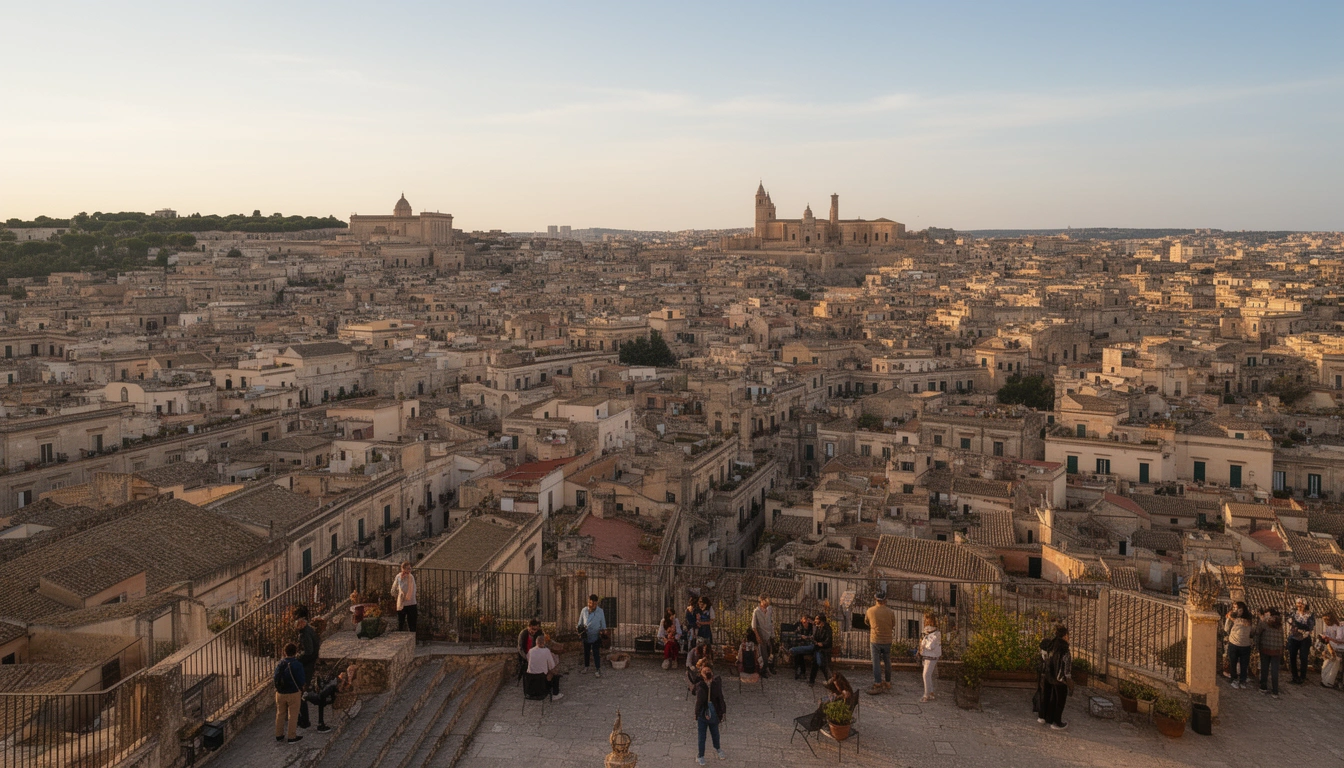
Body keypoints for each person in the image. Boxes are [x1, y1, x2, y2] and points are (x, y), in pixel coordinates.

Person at [303, 663, 356, 733]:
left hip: (319, 696)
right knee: (320, 703)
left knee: (319, 704)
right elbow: (339, 689)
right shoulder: (337, 680)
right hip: (319, 697)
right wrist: (347, 682)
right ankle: (320, 724)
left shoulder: (334, 679)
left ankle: (318, 723)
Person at [692, 665, 727, 765]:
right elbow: (720, 697)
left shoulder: (700, 686)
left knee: (702, 736)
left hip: (703, 714)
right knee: (715, 732)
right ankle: (718, 750)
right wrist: (723, 711)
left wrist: (696, 713)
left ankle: (701, 756)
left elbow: (699, 701)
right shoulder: (716, 684)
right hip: (715, 712)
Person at [273, 642, 306, 744]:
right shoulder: (297, 664)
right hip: (293, 692)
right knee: (293, 715)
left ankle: (279, 735)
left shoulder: (280, 664)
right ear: (295, 652)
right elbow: (301, 680)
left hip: (280, 693)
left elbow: (275, 678)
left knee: (280, 714)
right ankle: (291, 736)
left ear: (284, 652)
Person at [865, 592, 897, 695]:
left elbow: (866, 622)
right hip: (887, 640)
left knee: (876, 663)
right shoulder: (890, 612)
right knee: (887, 661)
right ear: (885, 599)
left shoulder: (870, 611)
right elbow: (893, 624)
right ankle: (888, 682)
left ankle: (878, 683)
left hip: (875, 640)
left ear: (875, 599)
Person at [1041, 626, 1072, 730]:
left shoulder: (1052, 645)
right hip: (1060, 680)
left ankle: (1049, 718)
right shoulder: (1064, 649)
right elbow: (1066, 670)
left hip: (1050, 677)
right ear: (1065, 635)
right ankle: (1057, 723)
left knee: (1052, 699)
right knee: (1060, 701)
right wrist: (1069, 684)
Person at [294, 608, 320, 730]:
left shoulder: (305, 634)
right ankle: (304, 719)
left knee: (301, 693)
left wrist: (298, 658)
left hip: (306, 666)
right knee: (302, 692)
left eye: (297, 624)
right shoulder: (309, 630)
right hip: (310, 664)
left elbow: (308, 651)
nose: (296, 627)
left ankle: (304, 721)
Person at [1254, 607, 1284, 698]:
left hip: (1265, 648)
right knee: (1275, 670)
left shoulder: (1263, 623)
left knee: (1265, 668)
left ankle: (1263, 687)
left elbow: (1257, 634)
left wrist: (1256, 646)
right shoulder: (1279, 624)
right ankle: (1275, 691)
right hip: (1277, 649)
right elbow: (1282, 638)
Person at [1224, 601, 1254, 689]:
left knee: (1238, 663)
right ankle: (1240, 680)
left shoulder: (1236, 618)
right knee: (1240, 663)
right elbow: (1252, 632)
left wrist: (1230, 617)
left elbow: (1227, 628)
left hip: (1238, 644)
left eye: (1237, 608)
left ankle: (1237, 679)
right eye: (1234, 608)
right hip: (1241, 644)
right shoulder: (1248, 620)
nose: (1235, 610)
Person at [525, 634, 564, 700]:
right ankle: (555, 694)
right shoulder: (546, 651)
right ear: (544, 643)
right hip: (542, 680)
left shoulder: (530, 651)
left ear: (536, 642)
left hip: (530, 680)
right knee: (555, 674)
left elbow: (528, 660)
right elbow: (552, 666)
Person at [1287, 598, 1316, 685]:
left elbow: (1310, 627)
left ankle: (1302, 677)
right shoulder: (1294, 614)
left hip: (1304, 638)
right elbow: (1290, 623)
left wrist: (1301, 628)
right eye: (1298, 603)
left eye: (1301, 603)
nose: (1299, 605)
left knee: (1303, 658)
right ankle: (1294, 676)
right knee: (1292, 657)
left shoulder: (1309, 615)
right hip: (1294, 638)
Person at [579, 593, 607, 678]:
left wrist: (602, 632)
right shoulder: (584, 610)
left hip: (596, 636)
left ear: (596, 603)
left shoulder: (600, 611)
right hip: (586, 635)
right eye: (590, 603)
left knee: (596, 653)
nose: (592, 605)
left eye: (594, 604)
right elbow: (580, 623)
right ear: (588, 602)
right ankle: (586, 667)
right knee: (586, 652)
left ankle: (597, 669)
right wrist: (580, 631)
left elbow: (603, 625)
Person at [918, 613, 941, 703]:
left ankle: (926, 695)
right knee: (928, 675)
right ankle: (931, 692)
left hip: (932, 656)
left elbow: (930, 646)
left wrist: (924, 642)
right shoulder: (928, 633)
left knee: (926, 675)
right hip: (927, 656)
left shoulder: (936, 634)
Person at [750, 595, 776, 673]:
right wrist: (757, 636)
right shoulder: (756, 611)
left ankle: (771, 667)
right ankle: (764, 669)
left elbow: (771, 622)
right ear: (762, 601)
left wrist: (773, 634)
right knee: (763, 653)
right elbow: (754, 626)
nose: (766, 604)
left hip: (770, 634)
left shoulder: (769, 609)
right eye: (765, 602)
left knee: (772, 652)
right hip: (761, 634)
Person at [1319, 612, 1344, 688]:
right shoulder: (1328, 627)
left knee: (1334, 666)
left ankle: (1329, 682)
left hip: (1338, 648)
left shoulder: (1339, 627)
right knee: (1327, 664)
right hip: (1330, 646)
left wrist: (1330, 639)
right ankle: (1326, 681)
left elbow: (1339, 640)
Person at [392, 561, 418, 634]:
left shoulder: (411, 577)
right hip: (402, 602)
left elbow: (413, 589)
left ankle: (413, 640)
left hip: (411, 602)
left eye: (410, 568)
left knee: (412, 623)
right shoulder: (398, 576)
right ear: (403, 569)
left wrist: (409, 596)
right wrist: (397, 595)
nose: (409, 570)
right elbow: (394, 587)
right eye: (407, 569)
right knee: (401, 622)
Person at [808, 613, 833, 685]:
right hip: (817, 648)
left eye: (816, 619)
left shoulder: (827, 628)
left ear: (821, 620)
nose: (815, 620)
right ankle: (811, 681)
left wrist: (822, 644)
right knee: (816, 663)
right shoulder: (818, 627)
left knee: (822, 664)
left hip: (824, 650)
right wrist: (815, 642)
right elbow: (815, 637)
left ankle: (829, 681)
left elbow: (829, 641)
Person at [790, 615, 816, 680]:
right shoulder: (799, 627)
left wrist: (807, 637)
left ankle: (799, 671)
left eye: (807, 621)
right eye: (804, 621)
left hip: (809, 645)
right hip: (800, 644)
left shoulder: (811, 627)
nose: (805, 623)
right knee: (799, 653)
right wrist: (801, 636)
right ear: (801, 621)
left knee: (798, 652)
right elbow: (795, 635)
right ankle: (801, 672)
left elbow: (814, 636)